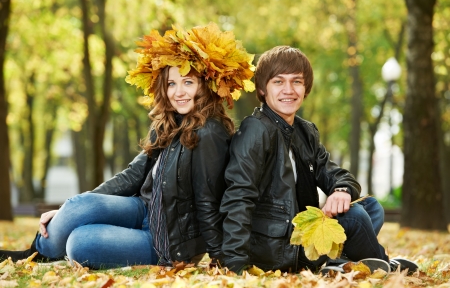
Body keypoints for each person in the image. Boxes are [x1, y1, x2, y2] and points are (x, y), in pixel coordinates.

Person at [0, 22, 255, 269]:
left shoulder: (210, 131)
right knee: (77, 205)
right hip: (143, 209)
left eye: (188, 82)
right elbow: (134, 175)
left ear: (205, 86)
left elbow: (208, 200)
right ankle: (35, 253)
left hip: (168, 240)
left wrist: (221, 258)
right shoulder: (168, 121)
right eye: (171, 84)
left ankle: (67, 245)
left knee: (80, 242)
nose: (179, 92)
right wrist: (67, 211)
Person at [219, 45, 418, 274]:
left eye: (296, 81)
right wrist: (235, 264)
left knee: (371, 207)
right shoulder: (255, 130)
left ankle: (338, 262)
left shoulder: (305, 132)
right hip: (276, 247)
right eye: (278, 82)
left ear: (306, 88)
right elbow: (239, 197)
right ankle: (383, 264)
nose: (289, 90)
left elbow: (335, 174)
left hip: (304, 234)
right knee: (355, 217)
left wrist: (342, 190)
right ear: (263, 89)